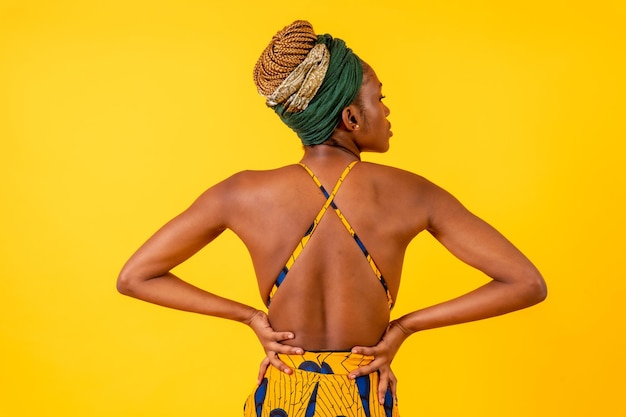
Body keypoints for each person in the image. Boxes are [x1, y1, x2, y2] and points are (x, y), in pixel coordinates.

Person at [117, 20, 547, 417]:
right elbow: (526, 283)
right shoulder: (413, 193)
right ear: (352, 118)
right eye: (380, 98)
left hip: (282, 394)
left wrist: (249, 317)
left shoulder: (240, 193)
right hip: (364, 394)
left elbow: (135, 277)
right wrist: (404, 328)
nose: (387, 111)